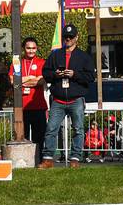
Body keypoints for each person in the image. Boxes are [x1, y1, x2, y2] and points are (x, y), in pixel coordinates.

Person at [39, 26, 94, 168]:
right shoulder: (55, 55)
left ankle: (75, 159)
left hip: (76, 99)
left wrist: (74, 74)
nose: (68, 39)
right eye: (65, 36)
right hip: (58, 99)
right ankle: (48, 158)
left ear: (76, 37)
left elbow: (90, 77)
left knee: (78, 129)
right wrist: (55, 75)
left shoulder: (84, 56)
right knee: (51, 129)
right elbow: (45, 72)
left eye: (70, 36)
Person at [18, 36, 48, 153]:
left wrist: (22, 81)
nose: (31, 50)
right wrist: (31, 78)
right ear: (23, 48)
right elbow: (12, 81)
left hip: (39, 106)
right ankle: (24, 162)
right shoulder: (17, 63)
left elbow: (41, 81)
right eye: (28, 48)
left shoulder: (41, 62)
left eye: (33, 48)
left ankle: (39, 160)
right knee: (22, 137)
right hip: (22, 107)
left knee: (39, 138)